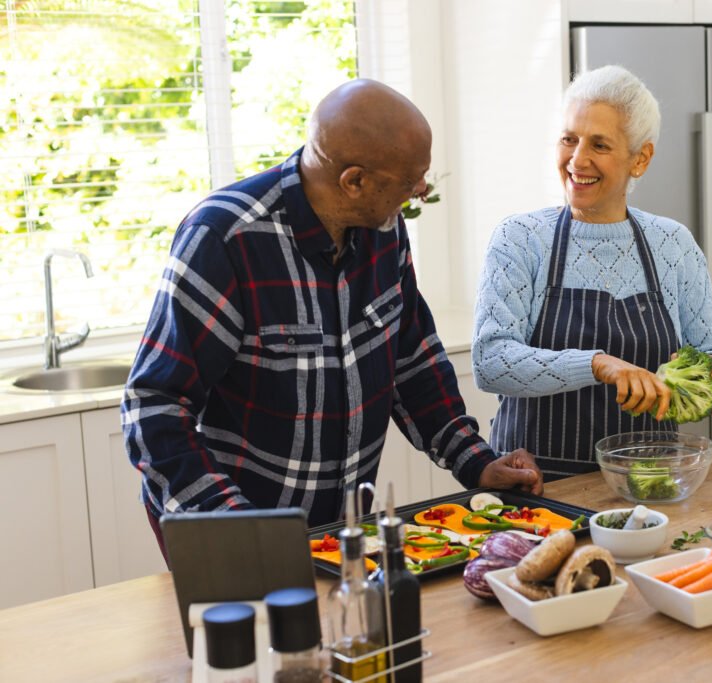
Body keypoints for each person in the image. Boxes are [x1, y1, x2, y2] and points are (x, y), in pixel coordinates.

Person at [122, 79, 542, 555]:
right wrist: (238, 526)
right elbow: (153, 403)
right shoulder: (225, 238)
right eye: (409, 181)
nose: (420, 190)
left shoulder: (383, 228)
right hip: (233, 527)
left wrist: (475, 460)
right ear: (354, 181)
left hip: (337, 532)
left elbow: (412, 360)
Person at [472, 65, 712, 479]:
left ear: (640, 158)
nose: (577, 159)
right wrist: (597, 364)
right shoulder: (520, 238)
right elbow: (491, 362)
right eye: (568, 139)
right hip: (536, 487)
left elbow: (709, 352)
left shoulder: (673, 244)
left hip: (646, 486)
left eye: (599, 144)